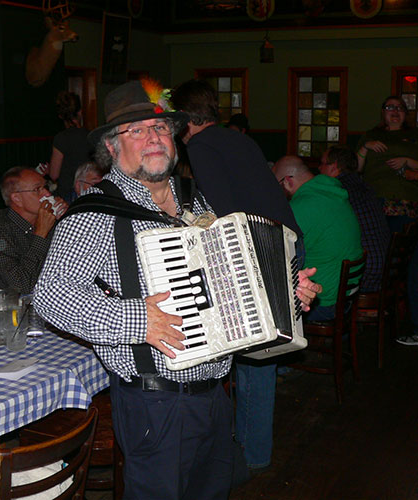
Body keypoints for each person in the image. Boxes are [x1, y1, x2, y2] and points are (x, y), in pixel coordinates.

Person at [33, 79, 320, 500]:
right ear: (112, 148)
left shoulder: (194, 200)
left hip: (215, 395)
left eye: (162, 128)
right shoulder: (95, 214)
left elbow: (228, 282)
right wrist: (137, 319)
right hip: (157, 405)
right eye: (138, 131)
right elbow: (52, 294)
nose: (154, 138)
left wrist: (286, 293)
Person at [170, 79, 304, 473]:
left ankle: (249, 457)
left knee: (253, 360)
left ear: (183, 119)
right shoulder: (238, 139)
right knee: (264, 355)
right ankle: (251, 447)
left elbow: (222, 215)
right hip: (287, 241)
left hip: (258, 250)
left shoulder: (200, 146)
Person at [356, 95, 418, 345]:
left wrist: (408, 161)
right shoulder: (370, 135)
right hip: (374, 206)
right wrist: (364, 148)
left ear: (406, 113)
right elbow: (355, 170)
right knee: (369, 255)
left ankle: (392, 306)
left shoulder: (414, 136)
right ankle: (370, 307)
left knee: (400, 262)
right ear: (382, 112)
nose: (395, 112)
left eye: (400, 108)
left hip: (405, 207)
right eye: (390, 107)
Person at [273, 155, 363, 320]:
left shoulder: (300, 207)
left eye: (276, 186)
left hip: (325, 301)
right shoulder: (333, 194)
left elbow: (275, 255)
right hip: (347, 295)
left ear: (287, 181)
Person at [0, 167, 68, 302]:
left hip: (31, 301)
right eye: (38, 189)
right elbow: (21, 286)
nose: (48, 194)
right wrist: (41, 234)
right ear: (17, 198)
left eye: (45, 187)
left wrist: (67, 221)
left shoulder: (47, 221)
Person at [319, 145, 390, 292]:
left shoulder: (338, 191)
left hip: (364, 272)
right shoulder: (365, 187)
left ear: (334, 167)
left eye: (323, 163)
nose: (319, 169)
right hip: (385, 267)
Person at [49, 91, 91, 202]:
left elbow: (54, 175)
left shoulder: (61, 138)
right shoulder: (92, 135)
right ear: (80, 112)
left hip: (68, 195)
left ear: (60, 116)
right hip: (89, 192)